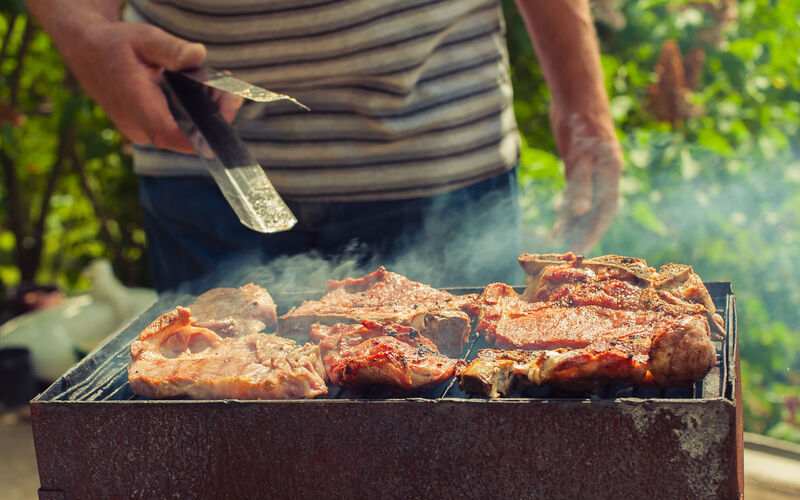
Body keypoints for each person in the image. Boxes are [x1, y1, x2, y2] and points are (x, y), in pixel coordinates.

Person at [25, 0, 623, 292]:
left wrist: (583, 99)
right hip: (198, 151)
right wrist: (91, 36)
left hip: (437, 148)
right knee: (222, 455)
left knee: (453, 451)